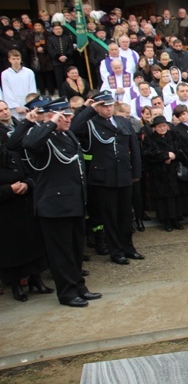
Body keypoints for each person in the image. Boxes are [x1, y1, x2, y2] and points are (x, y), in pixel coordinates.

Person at [22, 99, 102, 308]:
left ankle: (79, 287)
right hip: (54, 206)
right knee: (61, 253)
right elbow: (29, 144)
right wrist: (49, 123)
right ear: (51, 116)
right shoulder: (43, 137)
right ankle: (67, 293)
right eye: (63, 116)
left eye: (68, 115)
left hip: (74, 202)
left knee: (76, 250)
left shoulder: (65, 134)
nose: (68, 119)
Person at [70, 91, 145, 265]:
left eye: (110, 105)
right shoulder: (90, 124)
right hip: (105, 179)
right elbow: (74, 128)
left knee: (126, 215)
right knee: (110, 217)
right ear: (97, 107)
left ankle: (129, 248)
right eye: (104, 106)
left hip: (124, 175)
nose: (108, 109)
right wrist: (88, 109)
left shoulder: (122, 121)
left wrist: (136, 174)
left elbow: (134, 148)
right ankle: (116, 251)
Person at [0, 117, 52, 302]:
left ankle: (36, 280)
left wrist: (26, 184)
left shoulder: (12, 157)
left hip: (25, 208)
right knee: (13, 251)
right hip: (5, 214)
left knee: (33, 245)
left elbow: (31, 175)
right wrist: (9, 190)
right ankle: (16, 285)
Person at [141, 115, 188, 232]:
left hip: (173, 171)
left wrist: (173, 156)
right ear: (154, 128)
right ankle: (166, 221)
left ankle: (176, 219)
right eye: (159, 126)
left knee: (175, 197)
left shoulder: (174, 135)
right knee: (163, 198)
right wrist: (164, 156)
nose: (162, 128)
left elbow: (181, 150)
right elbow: (147, 154)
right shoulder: (150, 139)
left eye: (164, 126)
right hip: (159, 173)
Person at [1, 49, 36, 120]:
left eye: (17, 59)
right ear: (9, 60)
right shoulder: (5, 74)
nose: (16, 61)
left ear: (21, 59)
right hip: (13, 107)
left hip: (27, 105)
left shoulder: (29, 72)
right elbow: (7, 91)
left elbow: (32, 89)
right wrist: (15, 106)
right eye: (13, 59)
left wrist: (29, 104)